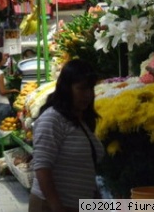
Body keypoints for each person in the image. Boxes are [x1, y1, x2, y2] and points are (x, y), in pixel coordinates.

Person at [29, 59, 104, 212]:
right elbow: (42, 168)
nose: (88, 95)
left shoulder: (80, 120)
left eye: (91, 88)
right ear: (66, 88)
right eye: (81, 89)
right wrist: (57, 207)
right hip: (52, 206)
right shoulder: (52, 119)